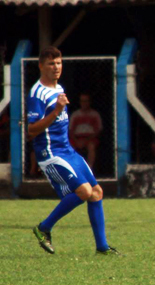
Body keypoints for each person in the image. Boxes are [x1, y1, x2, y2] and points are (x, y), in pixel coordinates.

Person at [28, 47, 118, 256]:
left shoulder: (58, 88)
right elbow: (31, 130)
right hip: (49, 152)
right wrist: (57, 110)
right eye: (51, 63)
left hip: (66, 149)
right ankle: (43, 228)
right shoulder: (37, 93)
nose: (56, 67)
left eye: (59, 63)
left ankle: (102, 248)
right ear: (41, 66)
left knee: (96, 193)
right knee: (84, 192)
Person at [69, 93, 102, 169]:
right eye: (82, 101)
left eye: (86, 101)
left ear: (89, 102)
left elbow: (98, 130)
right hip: (76, 138)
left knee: (91, 146)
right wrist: (76, 141)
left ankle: (89, 169)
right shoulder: (75, 115)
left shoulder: (95, 114)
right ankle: (73, 168)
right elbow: (70, 131)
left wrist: (86, 140)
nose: (84, 103)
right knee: (69, 147)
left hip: (90, 138)